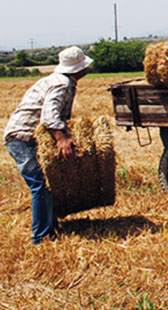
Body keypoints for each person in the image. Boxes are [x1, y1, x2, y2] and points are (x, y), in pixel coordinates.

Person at [3, 46, 92, 245]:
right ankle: (41, 237)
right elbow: (49, 116)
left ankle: (50, 227)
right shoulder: (61, 84)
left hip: (28, 138)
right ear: (77, 68)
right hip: (21, 138)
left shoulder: (64, 81)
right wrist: (61, 139)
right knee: (39, 185)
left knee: (45, 184)